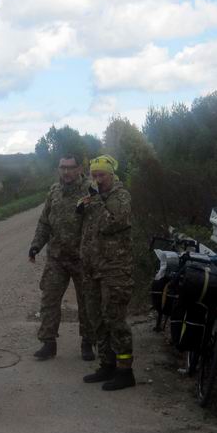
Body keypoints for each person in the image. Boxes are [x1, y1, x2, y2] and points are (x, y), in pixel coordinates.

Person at [28, 154, 95, 361]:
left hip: (82, 258)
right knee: (49, 299)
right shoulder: (54, 191)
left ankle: (87, 343)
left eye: (70, 167)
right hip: (56, 257)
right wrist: (36, 245)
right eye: (62, 167)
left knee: (87, 302)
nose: (66, 172)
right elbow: (44, 221)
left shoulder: (90, 191)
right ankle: (48, 343)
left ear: (79, 168)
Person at [78, 154, 136, 390]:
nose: (98, 180)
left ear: (112, 175)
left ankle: (125, 371)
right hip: (92, 268)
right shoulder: (95, 198)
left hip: (115, 269)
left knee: (115, 319)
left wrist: (97, 202)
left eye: (102, 175)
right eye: (94, 175)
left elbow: (111, 223)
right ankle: (107, 364)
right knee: (97, 319)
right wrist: (81, 208)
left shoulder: (121, 197)